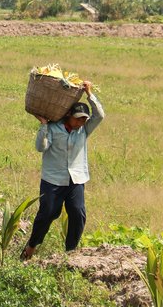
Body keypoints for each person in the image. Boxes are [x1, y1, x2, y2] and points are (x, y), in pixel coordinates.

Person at [21, 81, 105, 259]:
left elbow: (100, 115)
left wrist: (90, 94)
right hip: (53, 179)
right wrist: (43, 125)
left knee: (78, 213)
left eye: (84, 119)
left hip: (76, 179)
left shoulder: (83, 130)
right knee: (48, 214)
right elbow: (41, 147)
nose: (81, 122)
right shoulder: (53, 128)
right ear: (68, 115)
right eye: (78, 118)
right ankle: (31, 247)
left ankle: (70, 252)